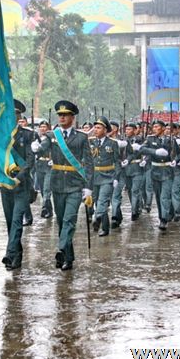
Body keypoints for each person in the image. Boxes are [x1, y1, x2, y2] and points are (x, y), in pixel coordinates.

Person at [31, 100, 94, 271]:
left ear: (72, 118)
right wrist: (36, 147)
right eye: (60, 115)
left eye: (65, 115)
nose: (62, 117)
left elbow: (89, 163)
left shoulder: (82, 137)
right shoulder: (52, 136)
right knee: (61, 221)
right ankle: (67, 257)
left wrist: (88, 186)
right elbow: (43, 149)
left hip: (75, 184)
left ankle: (60, 248)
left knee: (69, 220)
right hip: (57, 183)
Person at [0, 99, 35, 270]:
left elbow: (30, 160)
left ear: (19, 116)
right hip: (5, 185)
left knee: (16, 221)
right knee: (9, 221)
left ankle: (9, 254)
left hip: (21, 185)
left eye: (13, 114)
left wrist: (19, 177)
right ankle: (17, 255)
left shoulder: (27, 135)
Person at [89, 116, 120, 237]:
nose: (95, 130)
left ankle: (97, 218)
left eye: (99, 127)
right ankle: (105, 227)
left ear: (105, 130)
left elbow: (117, 161)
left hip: (107, 177)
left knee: (103, 200)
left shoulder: (112, 143)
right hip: (94, 177)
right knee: (97, 202)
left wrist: (116, 177)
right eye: (95, 127)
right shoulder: (91, 142)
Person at [35, 120, 53, 218]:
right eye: (41, 126)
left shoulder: (51, 138)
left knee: (47, 188)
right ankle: (49, 210)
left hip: (49, 165)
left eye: (44, 127)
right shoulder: (36, 138)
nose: (42, 128)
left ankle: (44, 207)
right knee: (42, 189)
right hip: (39, 165)